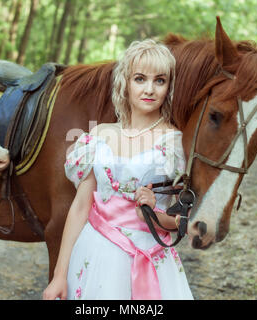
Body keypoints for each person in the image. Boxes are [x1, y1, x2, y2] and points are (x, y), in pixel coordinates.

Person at [43, 39, 193, 300]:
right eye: (140, 79)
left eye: (159, 80)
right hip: (95, 253)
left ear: (169, 86)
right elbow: (80, 207)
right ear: (125, 82)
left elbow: (184, 223)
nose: (150, 89)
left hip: (150, 255)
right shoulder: (99, 136)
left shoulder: (175, 143)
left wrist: (155, 213)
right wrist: (59, 275)